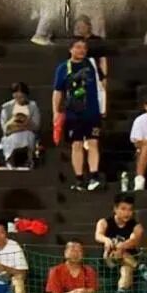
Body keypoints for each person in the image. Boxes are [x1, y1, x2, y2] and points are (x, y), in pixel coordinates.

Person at [53, 38, 105, 192]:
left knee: (93, 142)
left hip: (92, 112)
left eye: (84, 48)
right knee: (76, 145)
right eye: (78, 47)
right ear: (70, 49)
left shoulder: (91, 64)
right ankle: (79, 179)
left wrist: (103, 105)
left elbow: (102, 83)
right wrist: (56, 112)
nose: (81, 50)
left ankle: (94, 176)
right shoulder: (63, 68)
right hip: (73, 113)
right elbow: (57, 91)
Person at [95, 193, 144, 293]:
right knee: (115, 252)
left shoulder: (136, 226)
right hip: (109, 261)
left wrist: (121, 246)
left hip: (128, 262)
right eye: (123, 209)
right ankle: (141, 268)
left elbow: (134, 240)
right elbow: (98, 235)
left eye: (130, 209)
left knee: (126, 268)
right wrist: (106, 240)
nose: (127, 213)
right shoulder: (104, 222)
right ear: (115, 209)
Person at [0, 82, 42, 168]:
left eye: (21, 97)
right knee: (12, 138)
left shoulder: (33, 106)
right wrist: (14, 125)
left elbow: (36, 126)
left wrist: (26, 123)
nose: (19, 98)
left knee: (28, 135)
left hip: (28, 131)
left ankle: (29, 160)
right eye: (16, 96)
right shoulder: (6, 107)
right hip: (12, 133)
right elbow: (5, 128)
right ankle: (10, 160)